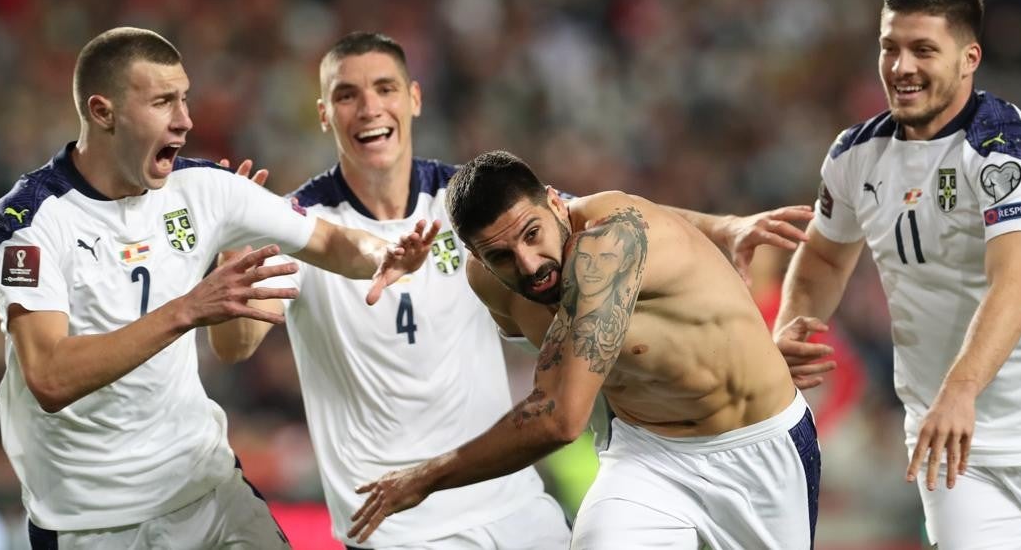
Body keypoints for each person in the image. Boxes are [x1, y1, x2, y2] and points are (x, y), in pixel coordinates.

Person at [211, 31, 816, 549]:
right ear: (323, 113)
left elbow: (617, 220)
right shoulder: (300, 225)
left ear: (414, 98)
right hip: (410, 516)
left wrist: (726, 228)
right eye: (347, 94)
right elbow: (236, 346)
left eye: (385, 88)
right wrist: (236, 250)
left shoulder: (480, 207)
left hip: (521, 500)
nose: (369, 108)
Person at [0, 27, 436, 549]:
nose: (185, 119)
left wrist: (388, 253)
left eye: (185, 98)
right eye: (162, 102)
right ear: (103, 112)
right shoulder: (30, 221)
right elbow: (50, 377)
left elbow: (333, 243)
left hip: (207, 492)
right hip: (90, 521)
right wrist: (188, 309)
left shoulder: (203, 190)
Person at [774, 0, 1021, 548]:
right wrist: (793, 326)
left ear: (969, 59)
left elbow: (1013, 285)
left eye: (923, 50)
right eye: (890, 47)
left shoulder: (1005, 148)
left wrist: (961, 390)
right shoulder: (854, 155)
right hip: (951, 446)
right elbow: (821, 254)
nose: (901, 66)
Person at [347, 149, 821, 549]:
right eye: (500, 256)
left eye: (531, 235)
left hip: (756, 448)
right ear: (477, 256)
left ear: (556, 204)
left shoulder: (606, 244)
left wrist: (425, 479)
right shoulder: (491, 284)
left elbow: (559, 417)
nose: (529, 265)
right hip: (647, 455)